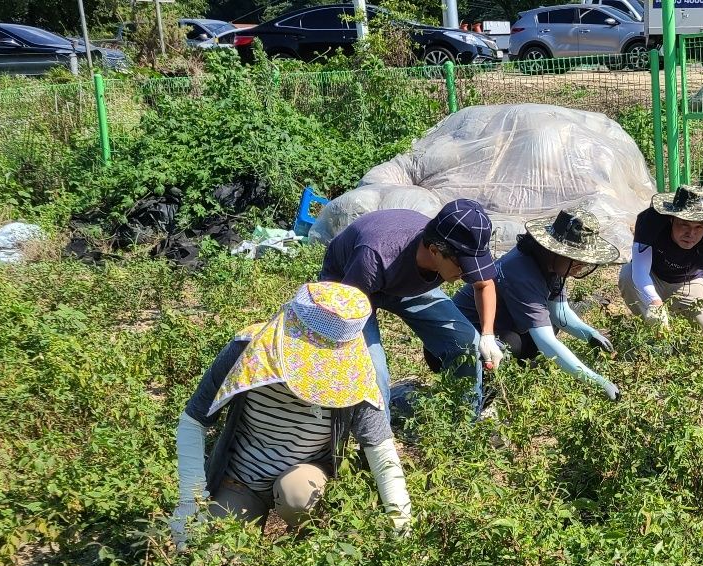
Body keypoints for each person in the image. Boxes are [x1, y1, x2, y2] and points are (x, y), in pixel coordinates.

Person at [168, 282, 414, 548]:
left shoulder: (357, 377)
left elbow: (381, 450)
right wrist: (190, 500)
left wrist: (401, 526)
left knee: (296, 493)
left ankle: (312, 538)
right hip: (242, 476)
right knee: (211, 551)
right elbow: (195, 419)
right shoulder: (248, 350)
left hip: (305, 478)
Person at [318, 200, 503, 416]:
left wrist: (487, 335)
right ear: (434, 250)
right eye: (463, 266)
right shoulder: (375, 255)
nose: (466, 274)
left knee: (466, 340)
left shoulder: (447, 247)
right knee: (372, 369)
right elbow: (349, 316)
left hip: (401, 282)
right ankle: (377, 443)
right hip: (351, 283)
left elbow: (484, 284)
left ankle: (463, 422)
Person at [450, 208, 625, 400]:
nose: (580, 265)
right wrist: (597, 381)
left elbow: (560, 313)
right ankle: (477, 397)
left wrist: (591, 335)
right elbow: (546, 342)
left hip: (499, 327)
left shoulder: (551, 266)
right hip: (458, 343)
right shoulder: (521, 272)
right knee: (513, 345)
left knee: (545, 328)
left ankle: (512, 384)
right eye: (575, 259)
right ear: (554, 250)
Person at [618, 185, 703, 334]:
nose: (691, 234)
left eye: (699, 227)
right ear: (672, 219)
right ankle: (652, 330)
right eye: (684, 224)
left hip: (690, 282)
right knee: (627, 274)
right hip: (653, 276)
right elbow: (640, 270)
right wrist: (654, 302)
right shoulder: (650, 223)